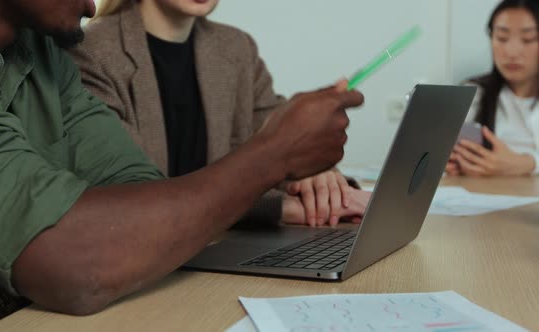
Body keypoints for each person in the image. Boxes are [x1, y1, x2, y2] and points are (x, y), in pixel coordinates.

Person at [0, 0, 364, 329]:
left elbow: (138, 192)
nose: (93, 8)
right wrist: (274, 155)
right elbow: (79, 263)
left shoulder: (45, 55)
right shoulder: (84, 47)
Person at [70, 0, 371, 227]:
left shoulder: (237, 47)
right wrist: (282, 208)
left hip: (219, 252)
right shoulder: (90, 50)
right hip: (141, 257)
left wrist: (316, 176)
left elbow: (278, 143)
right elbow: (133, 195)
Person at [446, 0, 539, 177]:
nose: (512, 52)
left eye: (528, 39)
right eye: (502, 38)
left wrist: (530, 163)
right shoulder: (474, 94)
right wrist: (451, 163)